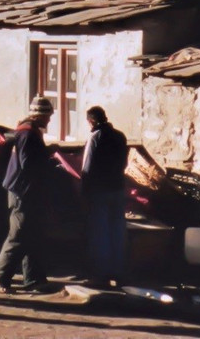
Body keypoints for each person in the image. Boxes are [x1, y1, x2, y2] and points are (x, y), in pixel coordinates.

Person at [0, 96, 62, 295]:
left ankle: (34, 278)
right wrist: (50, 161)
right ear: (41, 115)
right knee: (19, 234)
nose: (49, 120)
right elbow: (28, 164)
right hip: (23, 190)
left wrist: (47, 151)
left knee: (33, 232)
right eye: (48, 116)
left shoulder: (27, 131)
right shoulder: (29, 134)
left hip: (27, 189)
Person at [80, 106, 128, 287]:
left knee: (100, 232)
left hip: (99, 190)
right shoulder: (120, 136)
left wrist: (84, 192)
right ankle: (118, 271)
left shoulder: (95, 137)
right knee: (117, 230)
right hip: (117, 188)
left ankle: (101, 274)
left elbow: (87, 167)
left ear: (91, 121)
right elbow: (124, 163)